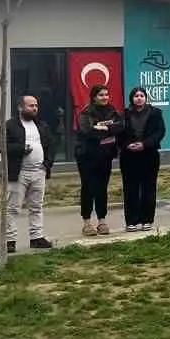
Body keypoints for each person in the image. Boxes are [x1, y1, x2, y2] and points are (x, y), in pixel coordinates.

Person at [0, 94, 56, 253]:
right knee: (12, 208)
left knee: (36, 206)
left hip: (39, 172)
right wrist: (21, 149)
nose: (34, 108)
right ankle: (10, 240)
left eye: (36, 105)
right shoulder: (9, 125)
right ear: (20, 107)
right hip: (18, 173)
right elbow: (0, 146)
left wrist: (46, 165)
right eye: (31, 105)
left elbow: (51, 146)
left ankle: (37, 237)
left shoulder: (42, 125)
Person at [74, 84, 124, 236]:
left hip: (105, 155)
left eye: (106, 94)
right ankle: (87, 222)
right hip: (87, 156)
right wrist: (104, 131)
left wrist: (104, 128)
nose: (105, 97)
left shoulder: (112, 111)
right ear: (94, 97)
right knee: (88, 188)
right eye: (101, 95)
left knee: (102, 188)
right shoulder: (86, 112)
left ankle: (102, 221)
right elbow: (87, 131)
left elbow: (120, 127)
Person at [120, 87, 166, 231]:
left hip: (149, 155)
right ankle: (131, 221)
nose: (139, 98)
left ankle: (147, 220)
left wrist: (145, 144)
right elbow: (119, 134)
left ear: (146, 98)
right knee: (130, 189)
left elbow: (160, 132)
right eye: (136, 96)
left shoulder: (155, 113)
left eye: (141, 95)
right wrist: (127, 145)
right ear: (131, 98)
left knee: (149, 188)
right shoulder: (124, 115)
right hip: (129, 156)